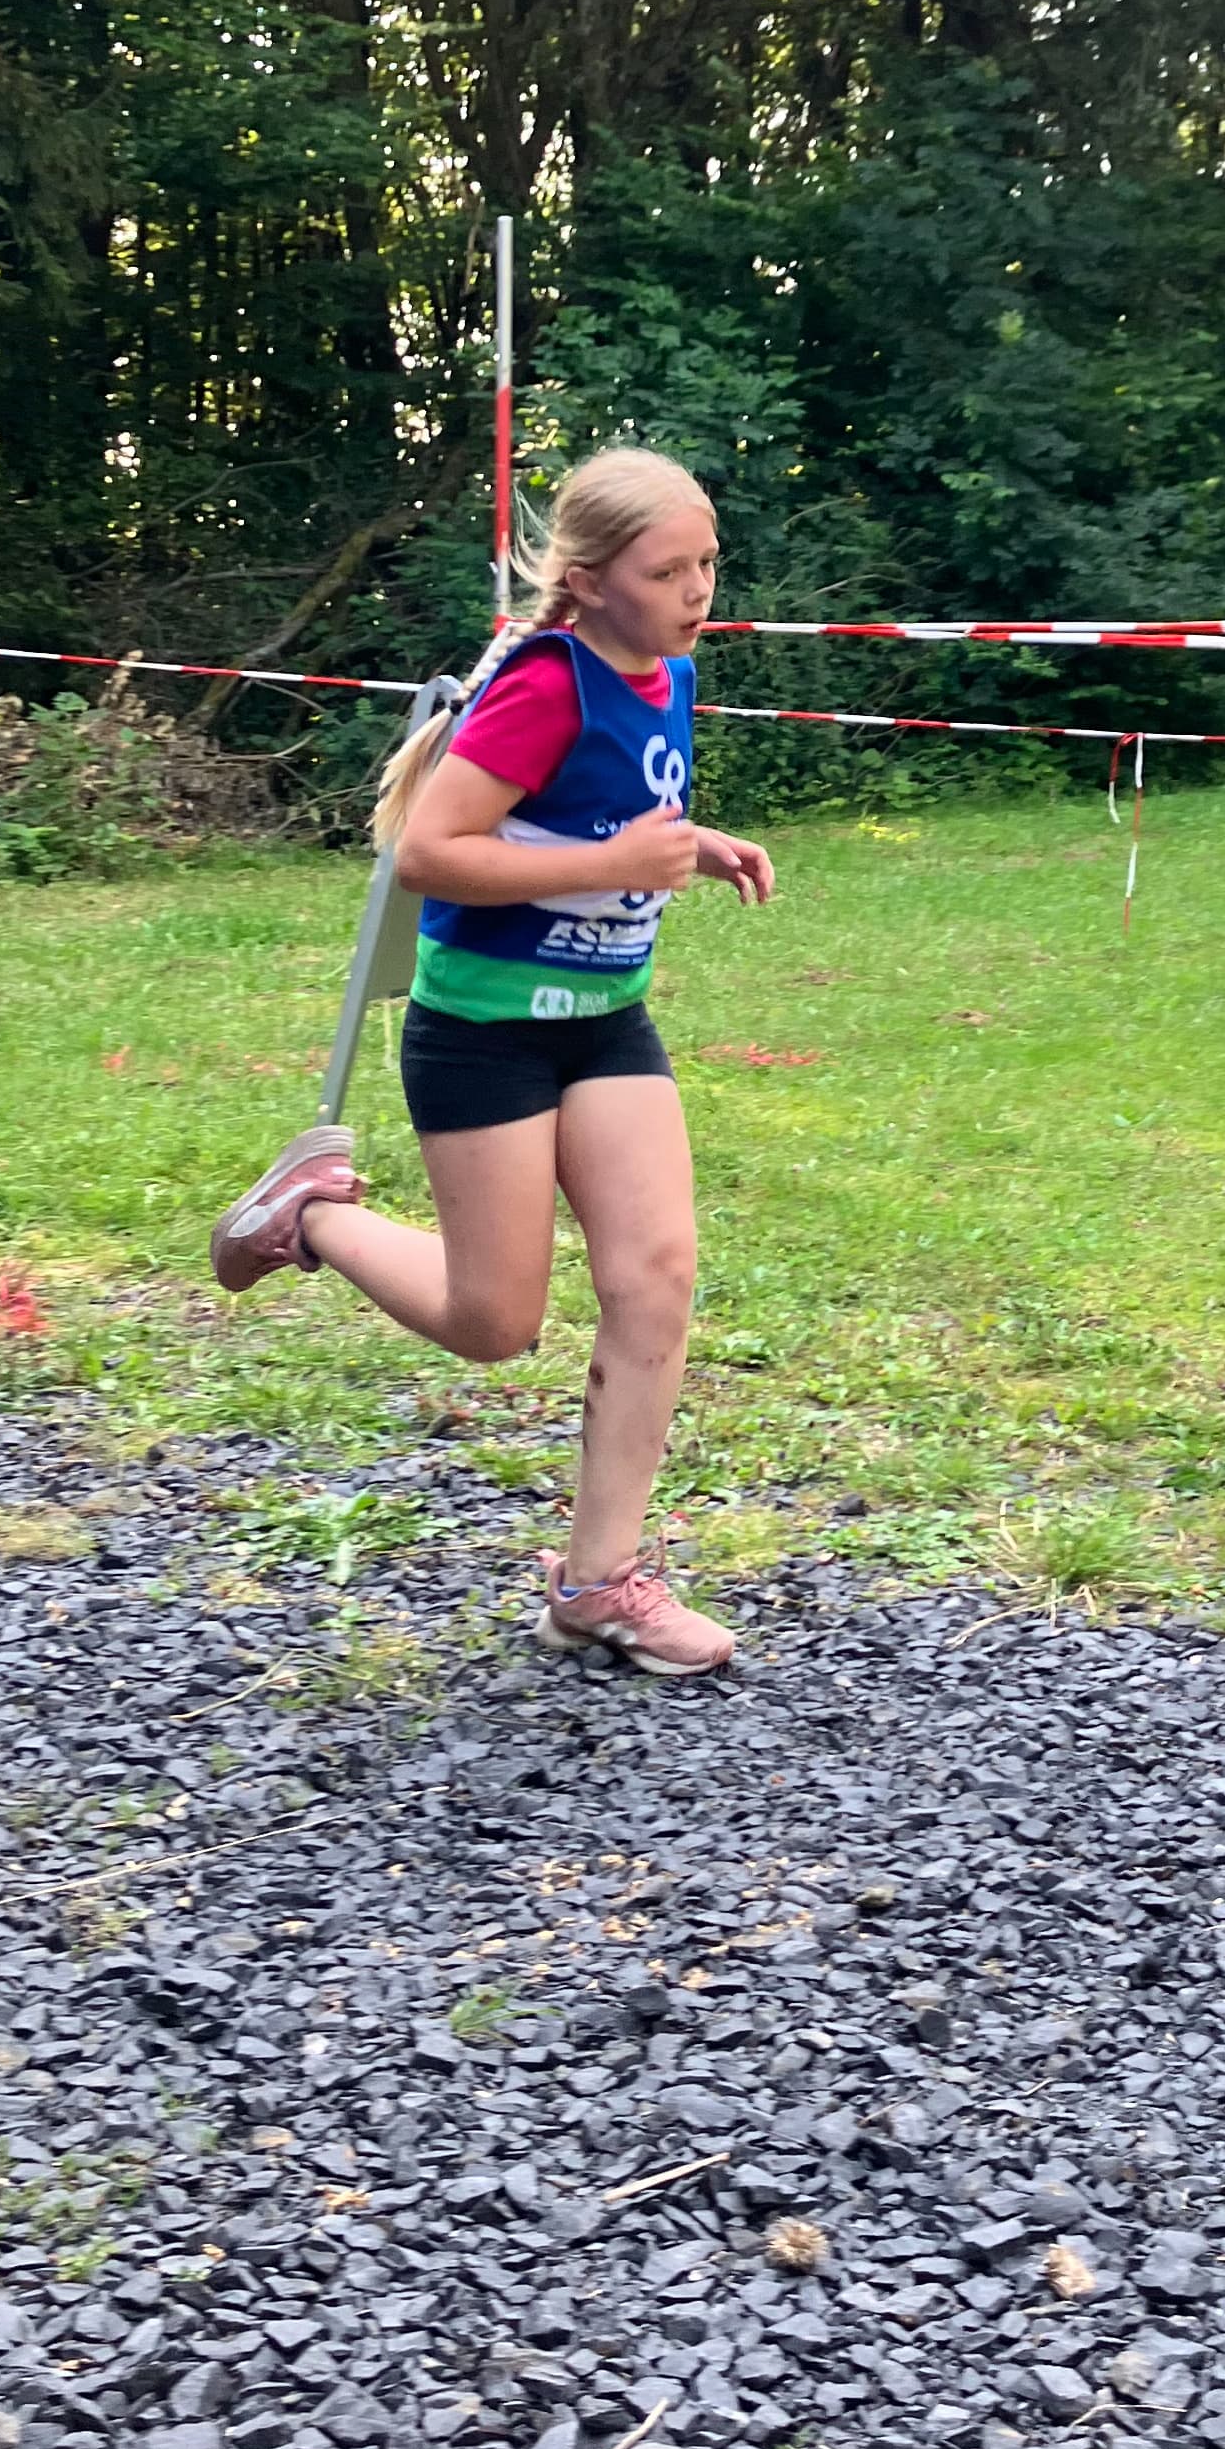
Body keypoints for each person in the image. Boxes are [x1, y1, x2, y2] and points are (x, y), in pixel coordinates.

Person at [208, 446, 774, 1676]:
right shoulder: (545, 684)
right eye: (667, 571)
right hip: (484, 1031)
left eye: (707, 564)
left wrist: (693, 844)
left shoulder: (665, 671)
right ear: (592, 580)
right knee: (492, 1321)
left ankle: (597, 1584)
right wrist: (614, 865)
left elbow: (595, 815)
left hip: (605, 1020)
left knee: (657, 1276)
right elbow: (428, 855)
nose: (697, 592)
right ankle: (312, 1218)